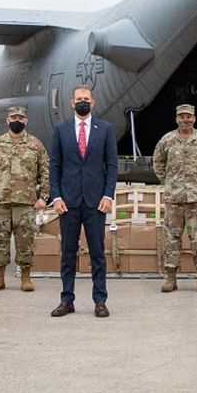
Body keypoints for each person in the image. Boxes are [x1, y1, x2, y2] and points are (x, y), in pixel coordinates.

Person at [48, 85, 117, 318]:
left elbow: (112, 165)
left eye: (86, 99)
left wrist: (108, 195)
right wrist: (56, 196)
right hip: (68, 202)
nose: (82, 102)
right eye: (79, 99)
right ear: (71, 103)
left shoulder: (105, 129)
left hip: (95, 202)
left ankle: (100, 300)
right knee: (68, 254)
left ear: (93, 103)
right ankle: (66, 299)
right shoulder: (61, 130)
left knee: (97, 254)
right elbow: (55, 166)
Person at [0, 105, 49, 292]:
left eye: (20, 118)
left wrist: (43, 197)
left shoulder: (35, 145)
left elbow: (45, 173)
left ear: (26, 121)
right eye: (13, 118)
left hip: (25, 202)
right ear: (7, 120)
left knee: (25, 241)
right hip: (0, 202)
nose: (17, 121)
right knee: (0, 241)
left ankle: (26, 277)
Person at [152, 103, 197, 293]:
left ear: (194, 118)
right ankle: (171, 277)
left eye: (188, 116)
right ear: (176, 119)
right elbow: (157, 161)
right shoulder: (167, 140)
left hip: (196, 198)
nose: (185, 119)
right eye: (181, 116)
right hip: (174, 198)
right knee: (171, 237)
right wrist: (168, 181)